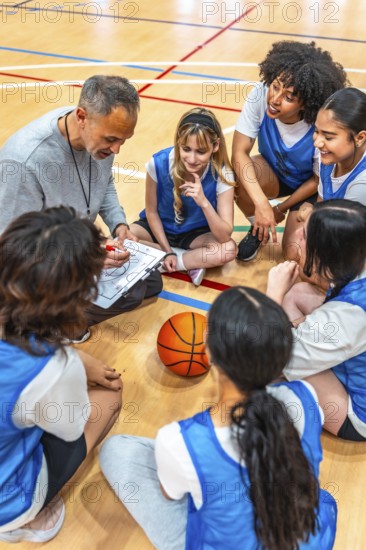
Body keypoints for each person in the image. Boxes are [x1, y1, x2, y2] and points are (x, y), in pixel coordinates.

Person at [99, 287, 337, 550]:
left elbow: (170, 494)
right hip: (306, 537)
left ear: (208, 352)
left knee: (117, 450)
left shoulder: (179, 439)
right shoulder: (306, 396)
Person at [0, 75, 162, 338]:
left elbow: (104, 181)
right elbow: (14, 249)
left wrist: (118, 224)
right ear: (81, 117)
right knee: (132, 294)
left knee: (151, 281)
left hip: (76, 249)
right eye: (111, 139)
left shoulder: (97, 138)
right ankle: (43, 322)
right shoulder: (26, 161)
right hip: (35, 268)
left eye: (124, 140)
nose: (117, 150)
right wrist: (84, 256)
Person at [0, 206, 122, 543]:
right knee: (110, 395)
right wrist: (73, 363)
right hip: (8, 503)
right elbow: (69, 429)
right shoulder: (49, 366)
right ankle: (30, 519)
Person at [232, 40, 348, 261]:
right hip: (277, 175)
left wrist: (281, 208)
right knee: (233, 178)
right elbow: (239, 153)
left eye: (289, 97)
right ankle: (259, 230)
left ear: (305, 103)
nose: (275, 99)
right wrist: (262, 205)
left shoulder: (319, 122)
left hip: (313, 188)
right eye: (275, 87)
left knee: (293, 254)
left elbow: (317, 179)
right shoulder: (260, 95)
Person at [267, 200, 366, 441]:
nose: (298, 233)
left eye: (306, 235)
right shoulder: (356, 258)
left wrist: (272, 296)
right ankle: (303, 347)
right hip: (351, 341)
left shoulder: (349, 314)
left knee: (264, 371)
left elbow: (271, 360)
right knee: (299, 294)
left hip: (356, 414)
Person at [129, 108, 237, 286]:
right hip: (158, 228)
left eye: (200, 151)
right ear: (178, 142)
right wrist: (167, 250)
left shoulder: (222, 173)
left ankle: (165, 262)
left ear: (215, 146)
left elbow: (225, 235)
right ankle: (189, 262)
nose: (192, 159)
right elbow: (151, 212)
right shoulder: (158, 163)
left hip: (194, 235)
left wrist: (204, 203)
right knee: (122, 239)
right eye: (186, 149)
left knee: (228, 250)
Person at [297, 87, 366, 227]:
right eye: (316, 131)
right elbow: (322, 207)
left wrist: (311, 213)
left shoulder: (362, 184)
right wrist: (314, 211)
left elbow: (340, 236)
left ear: (360, 138)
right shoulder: (330, 157)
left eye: (328, 137)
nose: (317, 143)